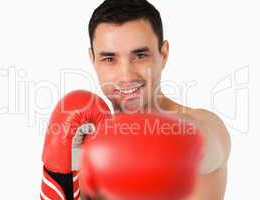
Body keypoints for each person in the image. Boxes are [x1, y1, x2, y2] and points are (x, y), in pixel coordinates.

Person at [41, 0, 231, 199]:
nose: (126, 75)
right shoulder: (86, 138)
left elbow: (204, 143)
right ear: (93, 60)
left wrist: (140, 136)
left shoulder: (208, 126)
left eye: (140, 55)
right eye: (109, 59)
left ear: (163, 54)